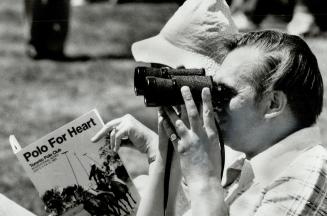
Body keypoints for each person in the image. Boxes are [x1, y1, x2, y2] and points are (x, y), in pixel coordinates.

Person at [92, 0, 326, 215]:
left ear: (273, 103)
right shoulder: (248, 170)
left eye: (224, 93)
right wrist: (163, 156)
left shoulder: (308, 173)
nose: (213, 105)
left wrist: (204, 177)